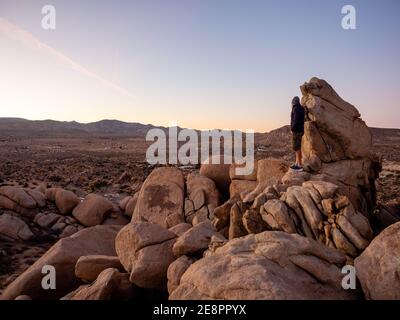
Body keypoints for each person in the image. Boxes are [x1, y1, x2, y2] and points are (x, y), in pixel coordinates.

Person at [290, 96, 305, 171]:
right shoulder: (301, 108)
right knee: (297, 147)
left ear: (293, 102)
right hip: (300, 129)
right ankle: (297, 163)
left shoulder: (296, 109)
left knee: (297, 147)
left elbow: (295, 120)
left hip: (296, 130)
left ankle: (299, 165)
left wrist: (292, 128)